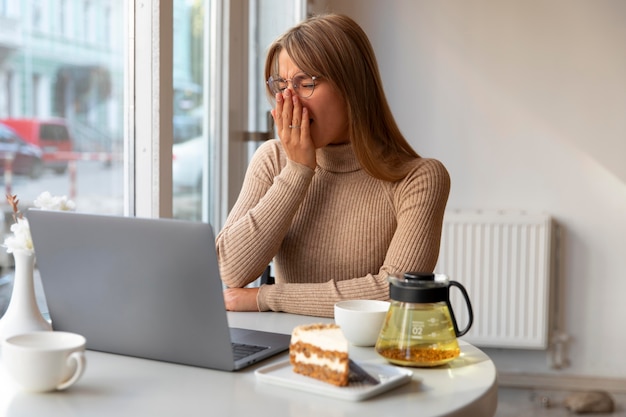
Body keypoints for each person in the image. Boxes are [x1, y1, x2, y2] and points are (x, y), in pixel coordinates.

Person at [216, 13, 450, 318]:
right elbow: (232, 271)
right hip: (288, 353)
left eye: (304, 83)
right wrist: (297, 170)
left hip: (370, 357)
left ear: (352, 87)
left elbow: (394, 294)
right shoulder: (273, 159)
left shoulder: (419, 178)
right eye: (282, 85)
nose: (288, 100)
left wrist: (267, 297)